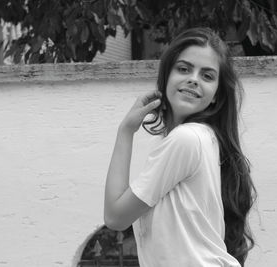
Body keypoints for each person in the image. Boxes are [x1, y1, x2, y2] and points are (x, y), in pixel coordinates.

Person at [104, 27, 256, 267]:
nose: (193, 79)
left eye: (207, 76)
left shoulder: (187, 139)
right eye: (184, 69)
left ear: (216, 94)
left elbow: (115, 217)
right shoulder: (204, 138)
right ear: (166, 78)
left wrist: (125, 131)